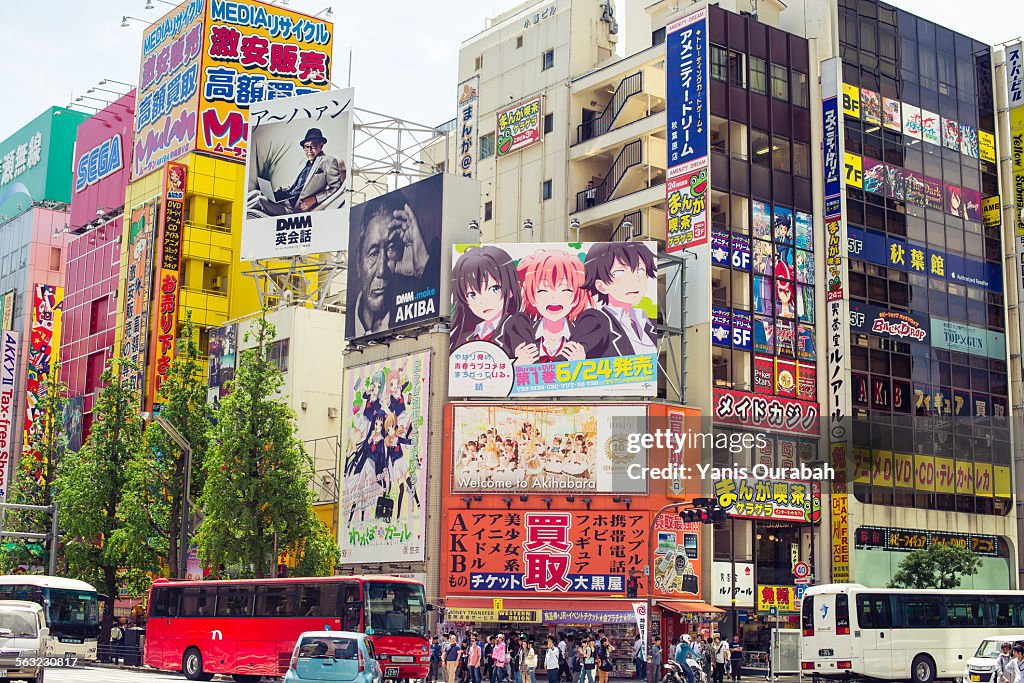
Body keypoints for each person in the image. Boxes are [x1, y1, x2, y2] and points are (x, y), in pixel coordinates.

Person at [349, 187, 435, 337]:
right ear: (358, 260)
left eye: (391, 248)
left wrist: (422, 265)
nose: (382, 270)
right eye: (373, 253)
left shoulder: (418, 308)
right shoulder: (341, 325)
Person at [571, 242, 657, 359]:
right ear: (601, 286)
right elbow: (565, 361)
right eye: (620, 272)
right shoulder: (596, 321)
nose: (635, 280)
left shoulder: (649, 322)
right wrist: (577, 363)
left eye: (640, 270)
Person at [506, 249, 591, 365]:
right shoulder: (521, 333)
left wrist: (582, 363)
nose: (554, 298)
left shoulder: (584, 336)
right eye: (543, 290)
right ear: (532, 296)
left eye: (565, 289)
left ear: (576, 297)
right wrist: (518, 364)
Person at [248, 127, 346, 216]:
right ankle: (238, 210)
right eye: (306, 147)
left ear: (321, 145)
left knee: (260, 200)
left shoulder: (328, 161)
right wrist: (281, 190)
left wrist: (314, 199)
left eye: (313, 146)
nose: (309, 150)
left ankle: (239, 215)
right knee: (256, 193)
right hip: (284, 199)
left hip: (291, 208)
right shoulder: (303, 163)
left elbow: (336, 188)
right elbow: (294, 187)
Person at [450, 245, 526, 356]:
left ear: (510, 289)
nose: (483, 302)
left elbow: (529, 362)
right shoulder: (466, 336)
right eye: (472, 295)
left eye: (494, 289)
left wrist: (518, 362)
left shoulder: (516, 324)